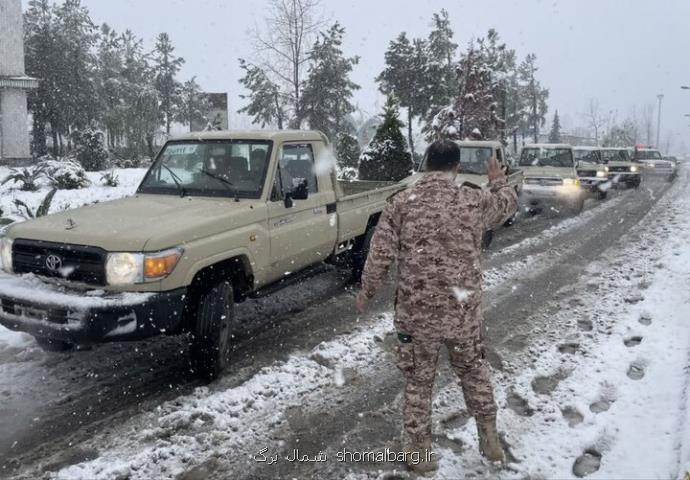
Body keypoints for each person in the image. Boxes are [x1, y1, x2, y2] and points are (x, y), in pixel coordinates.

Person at [355, 139, 518, 474]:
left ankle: (419, 454)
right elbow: (506, 206)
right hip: (462, 314)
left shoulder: (402, 202)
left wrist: (367, 291)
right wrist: (498, 180)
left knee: (418, 382)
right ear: (456, 168)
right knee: (473, 372)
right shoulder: (473, 199)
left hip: (417, 317)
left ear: (426, 163)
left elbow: (380, 253)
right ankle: (489, 437)